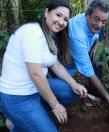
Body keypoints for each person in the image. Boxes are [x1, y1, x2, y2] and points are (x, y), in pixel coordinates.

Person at [0, 1, 87, 131]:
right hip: (17, 97)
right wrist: (55, 105)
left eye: (65, 19)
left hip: (35, 88)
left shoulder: (48, 35)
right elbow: (35, 73)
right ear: (46, 12)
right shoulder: (32, 32)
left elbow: (55, 64)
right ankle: (15, 124)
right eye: (58, 15)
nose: (61, 21)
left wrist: (74, 83)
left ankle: (31, 117)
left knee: (71, 91)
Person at [68, 0, 109, 109]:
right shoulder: (78, 35)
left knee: (100, 52)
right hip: (63, 62)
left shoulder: (95, 22)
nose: (100, 25)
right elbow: (88, 71)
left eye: (104, 21)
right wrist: (108, 98)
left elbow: (96, 37)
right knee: (69, 93)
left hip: (81, 53)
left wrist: (96, 45)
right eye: (96, 19)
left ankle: (94, 90)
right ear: (87, 14)